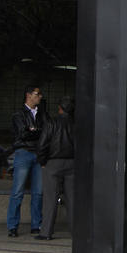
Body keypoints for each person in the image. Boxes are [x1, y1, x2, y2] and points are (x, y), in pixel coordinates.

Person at [7, 85, 44, 237]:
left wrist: (33, 130)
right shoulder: (18, 114)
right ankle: (12, 226)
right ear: (29, 95)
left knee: (38, 192)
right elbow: (23, 133)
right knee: (17, 191)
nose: (40, 96)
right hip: (24, 152)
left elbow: (44, 131)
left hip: (37, 153)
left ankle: (36, 224)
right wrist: (35, 132)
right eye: (38, 94)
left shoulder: (42, 114)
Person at [36, 96, 75, 241]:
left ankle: (46, 232)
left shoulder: (51, 123)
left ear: (60, 108)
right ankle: (75, 231)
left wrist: (42, 161)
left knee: (50, 198)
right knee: (72, 199)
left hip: (52, 163)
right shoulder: (76, 124)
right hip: (72, 163)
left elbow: (42, 144)